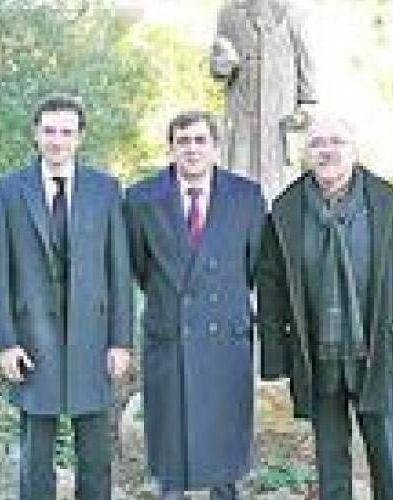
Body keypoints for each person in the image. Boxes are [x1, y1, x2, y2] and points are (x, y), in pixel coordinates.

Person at [257, 113, 393, 499]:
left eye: (336, 142)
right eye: (318, 143)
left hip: (376, 353)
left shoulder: (390, 204)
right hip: (317, 357)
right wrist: (276, 358)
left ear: (354, 149)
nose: (327, 151)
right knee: (330, 461)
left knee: (386, 458)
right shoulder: (285, 211)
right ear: (307, 153)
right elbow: (270, 290)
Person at [0, 92, 132, 500]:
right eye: (49, 131)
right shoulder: (7, 191)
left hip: (93, 335)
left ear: (80, 137)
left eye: (66, 132)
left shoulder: (105, 189)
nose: (57, 141)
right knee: (36, 451)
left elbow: (119, 271)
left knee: (95, 450)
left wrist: (120, 341)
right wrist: (5, 342)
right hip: (32, 337)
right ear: (35, 134)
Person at [125, 111, 265, 500]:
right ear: (171, 148)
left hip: (226, 335)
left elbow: (256, 265)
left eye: (200, 140)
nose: (192, 148)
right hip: (169, 331)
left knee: (223, 442)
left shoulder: (247, 196)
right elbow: (140, 267)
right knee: (171, 439)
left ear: (215, 147)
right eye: (183, 141)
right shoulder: (141, 198)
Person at [210, 0, 317, 201]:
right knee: (238, 183)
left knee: (279, 187)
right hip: (241, 117)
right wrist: (222, 63)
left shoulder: (294, 12)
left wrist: (307, 105)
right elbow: (218, 67)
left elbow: (307, 63)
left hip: (279, 119)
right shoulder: (228, 12)